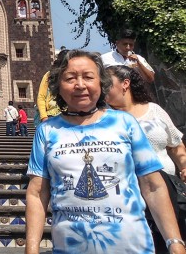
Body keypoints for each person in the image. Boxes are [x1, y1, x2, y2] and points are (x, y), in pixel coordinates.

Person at [25, 50, 185, 254]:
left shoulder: (124, 123)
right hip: (70, 248)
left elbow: (153, 186)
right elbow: (37, 193)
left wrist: (175, 242)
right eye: (70, 78)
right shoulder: (47, 131)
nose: (80, 85)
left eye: (88, 77)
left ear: (101, 83)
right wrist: (31, 249)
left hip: (133, 247)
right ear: (58, 86)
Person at [106, 65, 186, 252]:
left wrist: (184, 165)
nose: (101, 88)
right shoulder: (105, 118)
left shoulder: (155, 110)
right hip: (128, 193)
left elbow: (175, 146)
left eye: (107, 84)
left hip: (166, 190)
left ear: (125, 84)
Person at [36, 49, 69, 124]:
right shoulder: (49, 75)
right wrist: (44, 117)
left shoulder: (75, 75)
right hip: (52, 115)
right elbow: (41, 96)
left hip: (70, 114)